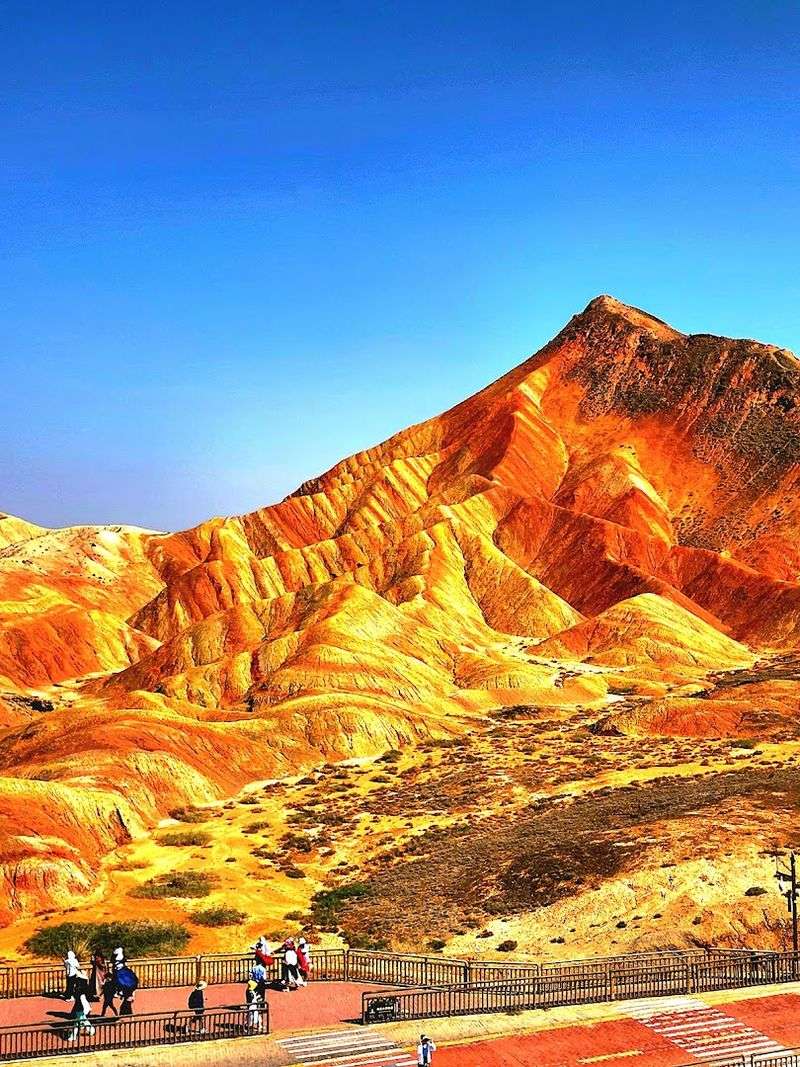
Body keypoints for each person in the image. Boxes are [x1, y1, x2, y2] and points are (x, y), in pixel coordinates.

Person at [67, 969, 95, 1042]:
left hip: (80, 1009)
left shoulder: (81, 991)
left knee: (78, 1022)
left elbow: (83, 1002)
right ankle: (91, 1030)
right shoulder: (82, 990)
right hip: (80, 1008)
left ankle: (73, 1036)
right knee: (81, 1021)